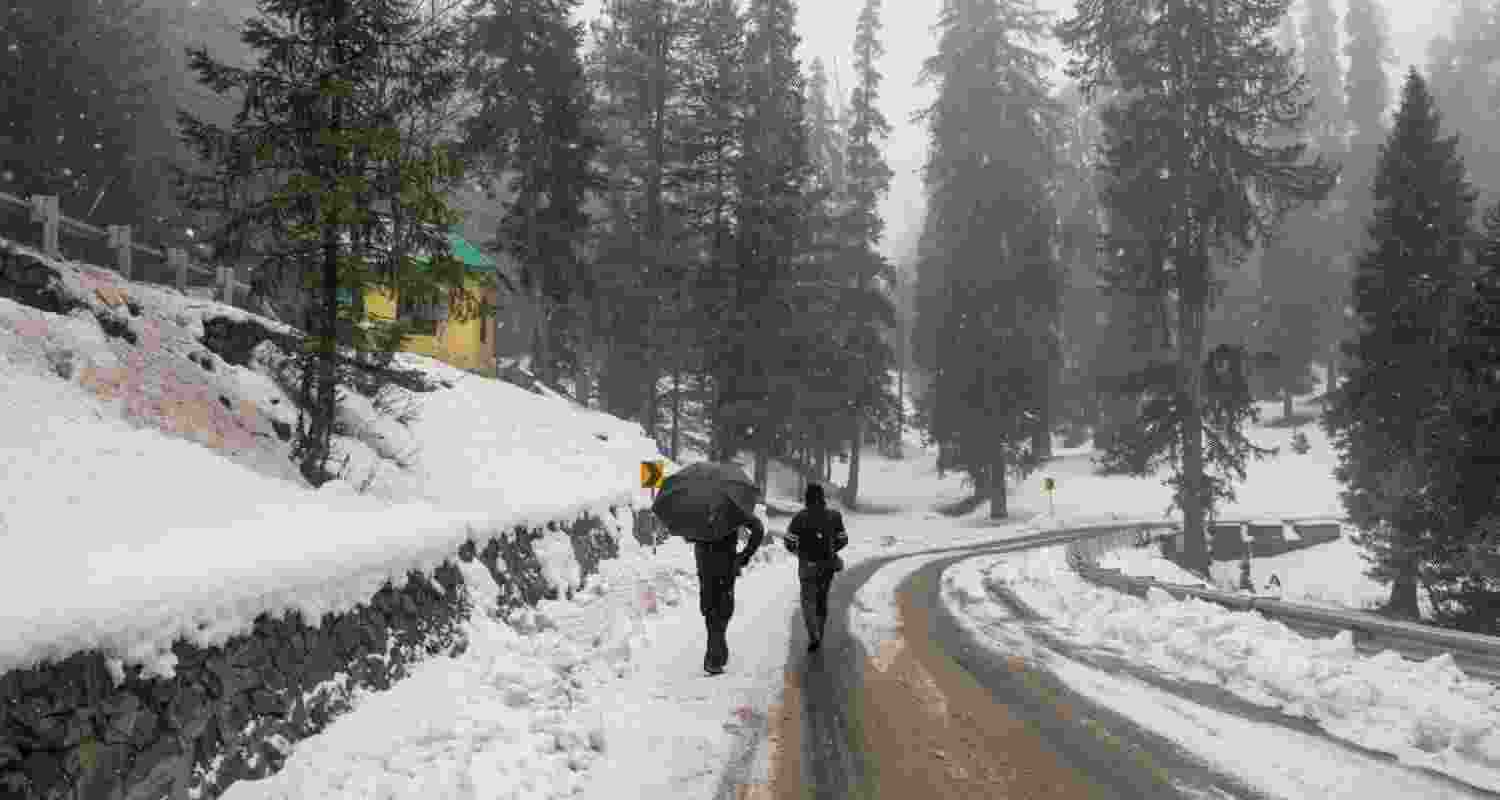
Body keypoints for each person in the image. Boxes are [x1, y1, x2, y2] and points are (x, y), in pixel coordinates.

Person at [695, 499, 765, 675]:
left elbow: (758, 529)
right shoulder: (732, 507)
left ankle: (716, 652)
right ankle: (714, 657)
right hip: (722, 568)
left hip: (709, 567)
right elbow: (758, 528)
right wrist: (745, 555)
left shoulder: (700, 508)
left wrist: (744, 555)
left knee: (713, 611)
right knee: (719, 610)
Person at [784, 483, 848, 652]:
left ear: (806, 498)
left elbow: (789, 542)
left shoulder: (799, 518)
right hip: (827, 565)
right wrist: (832, 549)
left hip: (807, 566)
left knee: (807, 602)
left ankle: (813, 635)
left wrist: (799, 552)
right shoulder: (834, 516)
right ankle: (819, 629)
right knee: (821, 600)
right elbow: (843, 539)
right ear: (822, 497)